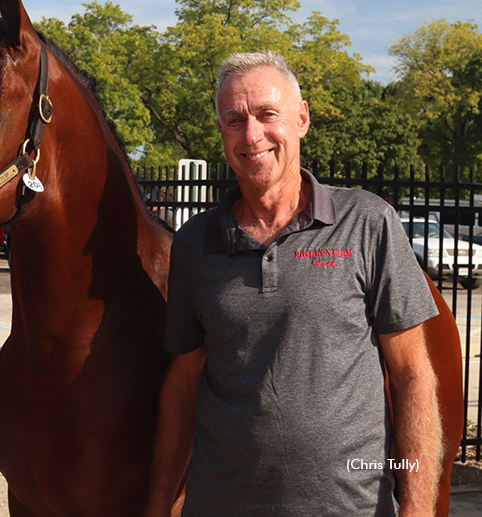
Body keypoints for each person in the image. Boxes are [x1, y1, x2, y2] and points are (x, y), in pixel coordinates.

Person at [145, 52, 442, 516]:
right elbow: (183, 385)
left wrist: (419, 507)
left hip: (352, 508)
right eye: (234, 120)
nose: (252, 135)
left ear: (301, 118)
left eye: (267, 114)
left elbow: (412, 376)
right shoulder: (194, 244)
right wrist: (160, 502)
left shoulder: (367, 222)